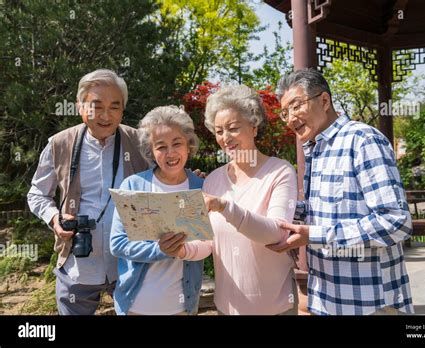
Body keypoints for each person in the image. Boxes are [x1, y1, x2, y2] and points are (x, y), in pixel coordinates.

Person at [266, 68, 414, 315]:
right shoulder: (315, 148)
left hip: (370, 304)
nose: (291, 118)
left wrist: (315, 234)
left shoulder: (362, 140)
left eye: (296, 105)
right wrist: (273, 204)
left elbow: (395, 221)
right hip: (327, 299)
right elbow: (322, 213)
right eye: (285, 112)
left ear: (324, 101)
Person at [161, 85, 299, 315]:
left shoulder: (280, 172)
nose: (225, 138)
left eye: (233, 128)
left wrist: (225, 206)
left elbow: (277, 233)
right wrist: (180, 249)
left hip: (276, 307)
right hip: (227, 307)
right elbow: (207, 244)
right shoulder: (213, 180)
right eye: (219, 131)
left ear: (254, 127)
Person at [27, 69, 149, 315]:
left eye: (115, 107)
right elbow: (37, 193)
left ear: (123, 109)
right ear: (79, 106)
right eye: (96, 106)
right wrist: (54, 219)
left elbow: (167, 180)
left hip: (129, 262)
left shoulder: (140, 143)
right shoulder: (59, 144)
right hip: (77, 264)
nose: (106, 115)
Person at [109, 106, 204, 315]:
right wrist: (160, 250)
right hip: (135, 307)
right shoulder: (133, 186)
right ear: (150, 151)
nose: (170, 153)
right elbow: (118, 245)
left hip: (182, 308)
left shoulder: (202, 187)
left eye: (177, 143)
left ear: (189, 145)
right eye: (161, 146)